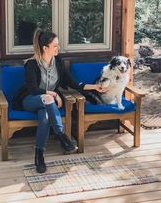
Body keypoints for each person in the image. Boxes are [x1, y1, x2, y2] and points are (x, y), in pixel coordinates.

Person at [20, 29, 106, 173]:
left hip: (47, 105)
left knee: (45, 117)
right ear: (45, 48)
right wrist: (53, 94)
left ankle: (39, 155)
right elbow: (33, 89)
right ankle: (61, 134)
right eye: (55, 45)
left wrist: (95, 87)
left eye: (58, 45)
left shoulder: (58, 62)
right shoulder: (32, 64)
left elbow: (73, 83)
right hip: (30, 100)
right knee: (47, 98)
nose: (58, 48)